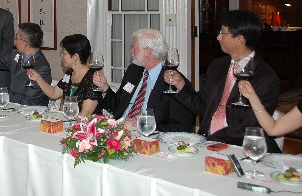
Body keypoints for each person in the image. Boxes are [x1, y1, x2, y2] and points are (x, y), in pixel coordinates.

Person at [166, 10, 281, 152]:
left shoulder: (265, 78)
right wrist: (180, 84)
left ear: (239, 39)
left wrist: (208, 141)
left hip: (242, 149)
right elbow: (202, 106)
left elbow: (250, 126)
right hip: (206, 142)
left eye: (223, 32)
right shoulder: (217, 65)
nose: (218, 37)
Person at [92, 29, 195, 132]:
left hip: (148, 140)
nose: (131, 51)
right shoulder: (133, 71)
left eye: (134, 47)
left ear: (147, 51)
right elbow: (118, 106)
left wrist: (141, 125)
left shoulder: (175, 82)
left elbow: (181, 127)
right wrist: (104, 87)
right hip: (119, 131)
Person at [28, 34, 101, 116]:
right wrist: (38, 78)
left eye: (64, 53)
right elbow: (54, 93)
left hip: (85, 125)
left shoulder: (93, 79)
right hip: (70, 121)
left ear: (75, 56)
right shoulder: (70, 73)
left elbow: (84, 115)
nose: (62, 56)